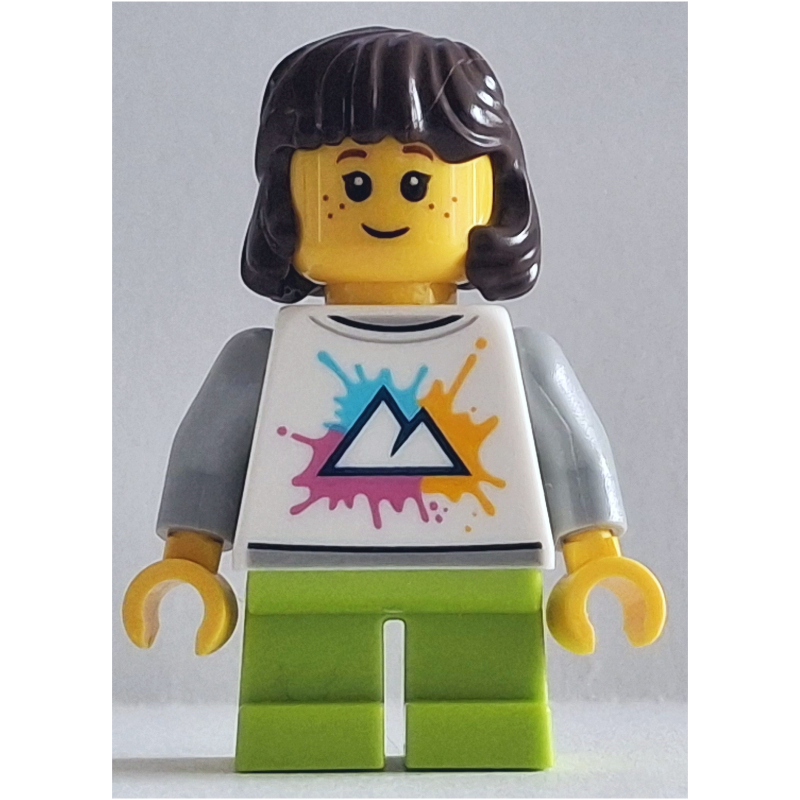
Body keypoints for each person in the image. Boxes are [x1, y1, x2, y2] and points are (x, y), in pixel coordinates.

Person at [123, 27, 666, 772]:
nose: (384, 204)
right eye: (350, 183)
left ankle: (481, 730)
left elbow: (572, 453)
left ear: (493, 192)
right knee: (306, 711)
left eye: (417, 183)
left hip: (482, 571)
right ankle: (308, 732)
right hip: (304, 573)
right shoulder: (263, 361)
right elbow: (208, 456)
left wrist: (595, 557)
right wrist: (190, 560)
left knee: (484, 703)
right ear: (287, 199)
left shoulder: (517, 358)